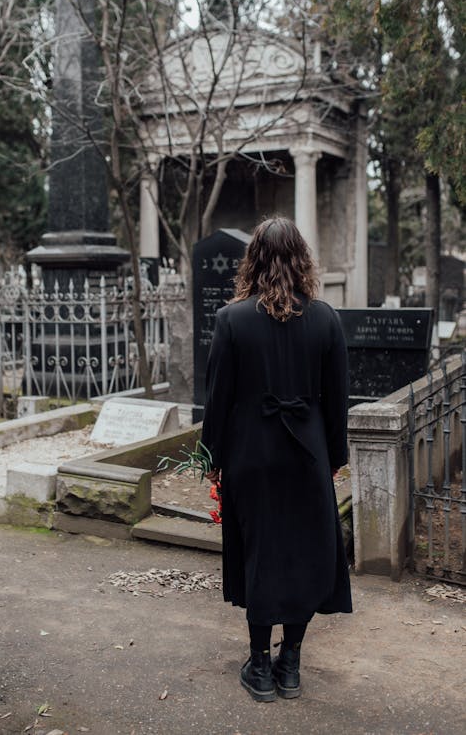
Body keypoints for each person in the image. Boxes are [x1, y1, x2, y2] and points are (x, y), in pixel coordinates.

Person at [201, 216, 352, 703]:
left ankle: (261, 667)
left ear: (255, 260)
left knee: (260, 553)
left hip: (252, 456)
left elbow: (217, 400)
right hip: (307, 455)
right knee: (305, 554)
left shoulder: (232, 319)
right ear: (301, 258)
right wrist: (333, 458)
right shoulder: (327, 318)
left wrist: (213, 461)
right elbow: (337, 401)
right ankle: (291, 664)